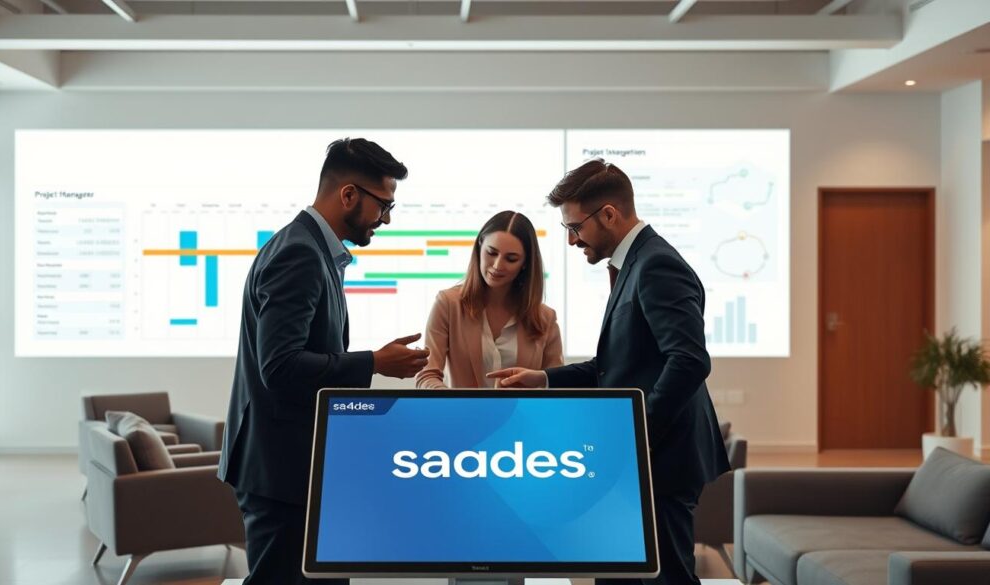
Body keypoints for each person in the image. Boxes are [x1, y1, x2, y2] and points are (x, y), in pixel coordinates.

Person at [488, 159, 729, 585]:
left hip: (663, 456)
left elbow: (690, 361)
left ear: (609, 215)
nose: (570, 240)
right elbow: (620, 363)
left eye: (574, 227)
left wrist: (636, 432)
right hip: (646, 455)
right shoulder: (636, 262)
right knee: (618, 569)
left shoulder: (656, 265)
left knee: (667, 576)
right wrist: (543, 377)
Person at [218, 138, 430, 585]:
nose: (386, 219)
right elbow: (281, 367)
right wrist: (373, 362)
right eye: (384, 206)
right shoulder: (300, 254)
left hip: (296, 466)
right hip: (282, 472)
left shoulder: (314, 250)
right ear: (348, 194)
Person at [417, 210, 562, 389]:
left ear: (525, 263)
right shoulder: (448, 304)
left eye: (511, 259)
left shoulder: (545, 318)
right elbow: (427, 375)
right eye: (492, 253)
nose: (497, 265)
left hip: (521, 417)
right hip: (460, 414)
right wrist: (451, 404)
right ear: (479, 247)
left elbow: (557, 387)